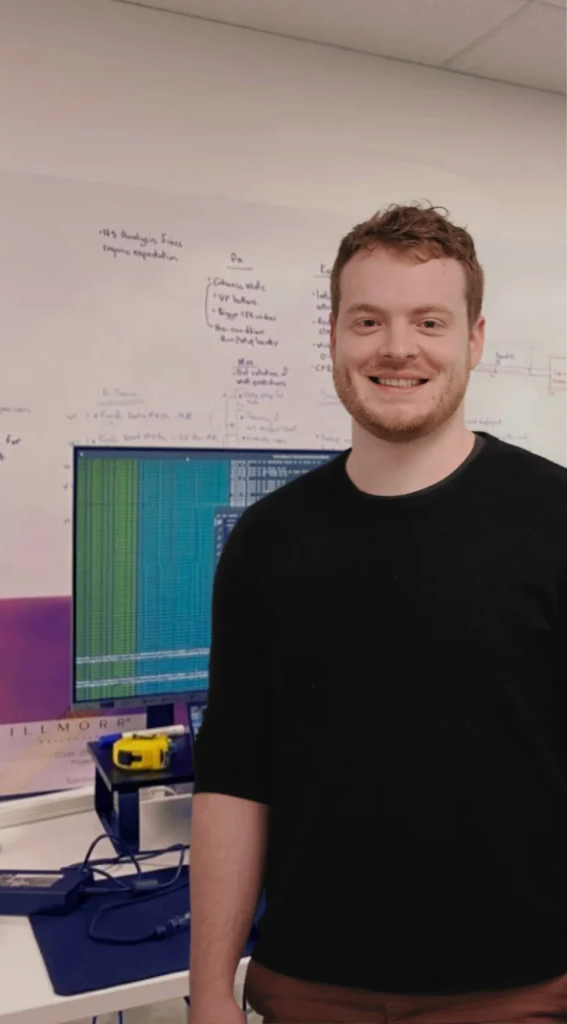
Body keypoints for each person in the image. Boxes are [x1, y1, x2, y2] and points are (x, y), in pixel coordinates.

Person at [188, 202, 567, 1024]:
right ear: (334, 336)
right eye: (369, 321)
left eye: (429, 321)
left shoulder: (555, 519)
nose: (398, 347)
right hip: (309, 982)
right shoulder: (266, 541)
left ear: (473, 339)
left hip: (519, 991)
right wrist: (209, 991)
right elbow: (233, 778)